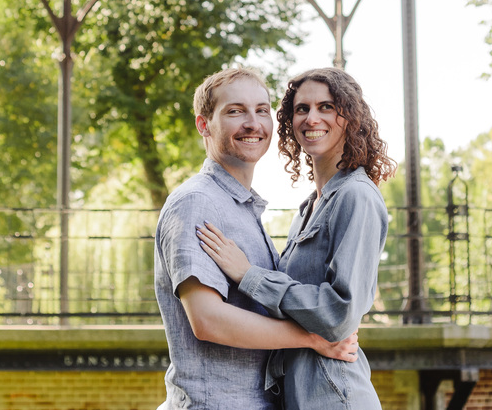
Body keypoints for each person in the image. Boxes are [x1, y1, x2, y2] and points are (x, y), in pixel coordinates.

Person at [154, 67, 359, 410]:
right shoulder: (197, 202)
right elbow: (207, 320)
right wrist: (312, 339)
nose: (253, 123)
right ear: (204, 125)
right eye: (235, 111)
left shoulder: (243, 208)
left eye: (261, 110)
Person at [197, 67, 396, 410]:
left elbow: (340, 314)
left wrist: (249, 275)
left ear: (350, 117)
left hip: (335, 397)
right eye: (301, 109)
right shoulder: (309, 207)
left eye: (327, 107)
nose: (311, 118)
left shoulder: (357, 196)